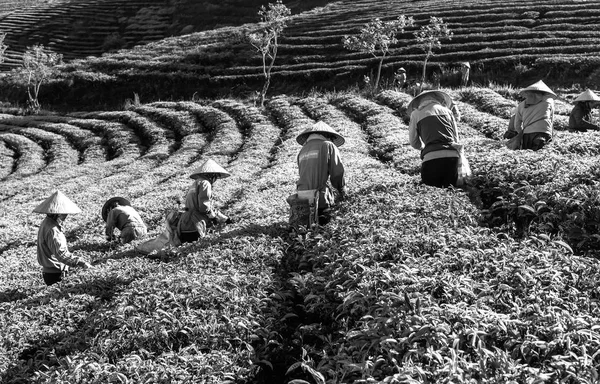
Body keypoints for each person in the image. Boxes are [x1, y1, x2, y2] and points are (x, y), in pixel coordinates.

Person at [33, 190, 92, 286]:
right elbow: (61, 254)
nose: (66, 215)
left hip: (52, 272)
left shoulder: (46, 223)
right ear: (57, 213)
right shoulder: (52, 229)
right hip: (55, 274)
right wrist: (81, 263)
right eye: (64, 213)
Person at [295, 121, 346, 225]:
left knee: (306, 228)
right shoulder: (328, 145)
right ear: (328, 135)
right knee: (322, 229)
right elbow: (337, 172)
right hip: (320, 196)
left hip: (301, 195)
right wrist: (341, 190)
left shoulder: (302, 150)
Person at [408, 89, 460, 188]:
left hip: (431, 159)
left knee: (432, 192)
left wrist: (424, 147)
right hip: (452, 157)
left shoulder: (416, 114)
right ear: (438, 98)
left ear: (420, 101)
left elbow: (414, 142)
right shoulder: (448, 111)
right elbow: (455, 139)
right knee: (451, 192)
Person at [178, 159, 232, 243]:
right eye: (216, 177)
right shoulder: (206, 183)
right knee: (194, 250)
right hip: (195, 223)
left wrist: (224, 219)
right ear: (212, 175)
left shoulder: (196, 183)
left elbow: (207, 205)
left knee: (183, 250)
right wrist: (213, 217)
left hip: (184, 222)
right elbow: (204, 206)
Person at [513, 80, 556, 151]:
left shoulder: (521, 105)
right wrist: (551, 135)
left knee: (528, 157)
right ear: (544, 93)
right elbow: (551, 120)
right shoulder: (548, 103)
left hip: (527, 135)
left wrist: (523, 134)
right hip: (544, 133)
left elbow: (517, 125)